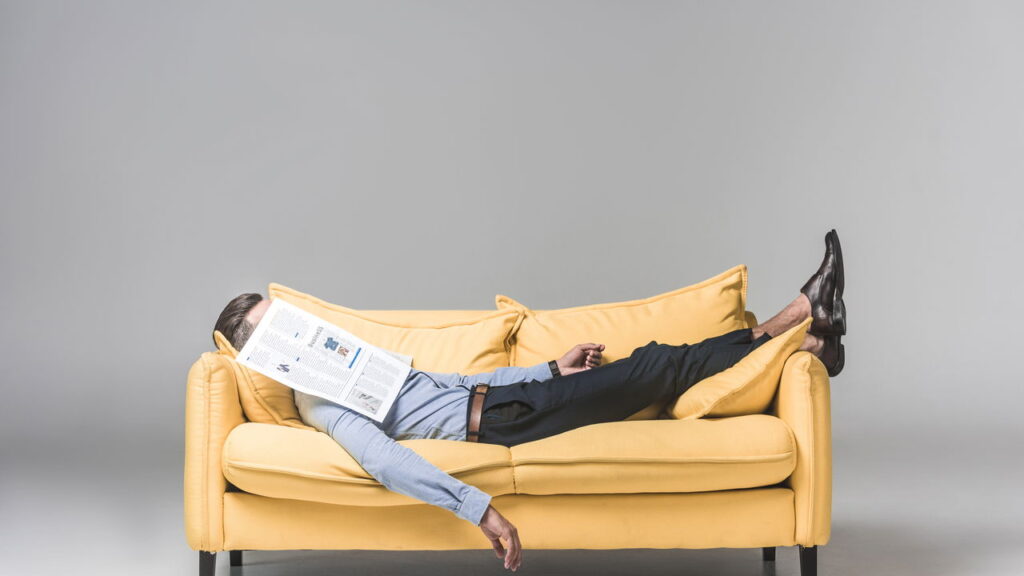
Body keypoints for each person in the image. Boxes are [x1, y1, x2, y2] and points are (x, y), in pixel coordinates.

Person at [212, 229, 846, 573]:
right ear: (264, 353)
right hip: (509, 426)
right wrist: (481, 510)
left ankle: (811, 336)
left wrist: (549, 367)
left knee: (654, 366)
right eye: (275, 330)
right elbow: (384, 462)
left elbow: (453, 386)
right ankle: (803, 321)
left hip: (518, 400)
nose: (293, 331)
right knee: (657, 362)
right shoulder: (321, 404)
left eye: (286, 318)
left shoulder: (354, 362)